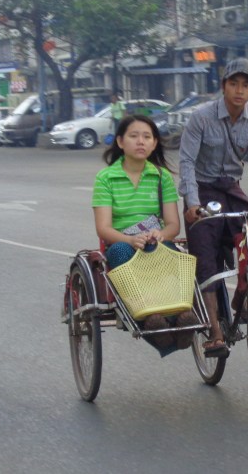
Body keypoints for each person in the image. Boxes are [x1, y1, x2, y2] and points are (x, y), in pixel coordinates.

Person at [178, 58, 248, 358]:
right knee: (205, 255)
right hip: (202, 191)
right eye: (234, 84)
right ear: (224, 85)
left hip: (231, 188)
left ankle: (243, 301)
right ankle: (215, 332)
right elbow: (186, 162)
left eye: (246, 85)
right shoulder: (201, 118)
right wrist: (191, 204)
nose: (239, 91)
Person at [92, 114, 197, 351]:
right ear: (120, 142)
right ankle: (147, 319)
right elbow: (103, 228)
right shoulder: (106, 178)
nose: (141, 142)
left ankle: (177, 317)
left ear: (154, 143)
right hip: (122, 243)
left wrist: (161, 235)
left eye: (147, 137)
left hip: (154, 243)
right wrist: (130, 239)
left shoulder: (162, 177)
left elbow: (172, 225)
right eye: (134, 136)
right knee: (119, 252)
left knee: (172, 254)